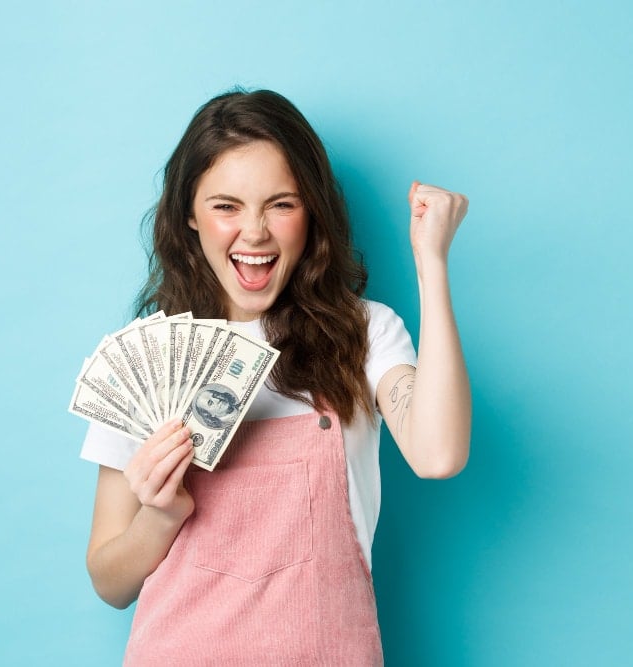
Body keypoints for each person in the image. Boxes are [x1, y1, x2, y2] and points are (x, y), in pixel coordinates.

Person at [81, 89, 471, 665]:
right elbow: (110, 582)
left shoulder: (364, 335)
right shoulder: (150, 357)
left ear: (311, 210)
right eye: (226, 206)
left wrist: (430, 262)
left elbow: (438, 456)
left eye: (281, 204)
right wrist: (162, 514)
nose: (255, 232)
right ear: (189, 213)